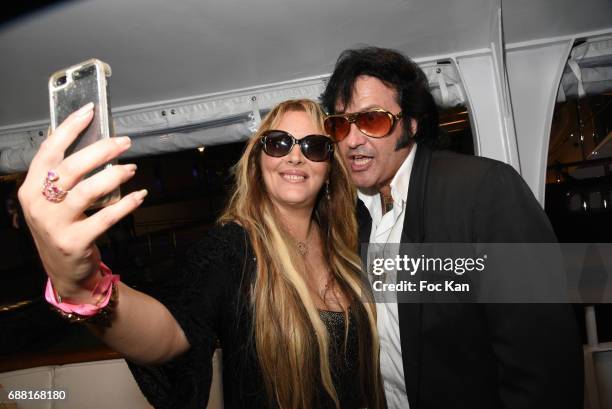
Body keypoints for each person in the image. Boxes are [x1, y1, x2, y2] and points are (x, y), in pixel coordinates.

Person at [17, 99, 385, 409]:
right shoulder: (232, 249)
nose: (295, 157)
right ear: (258, 161)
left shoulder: (350, 237)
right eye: (278, 143)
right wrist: (84, 287)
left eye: (314, 146)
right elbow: (168, 332)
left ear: (328, 169)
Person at [321, 47, 583, 409]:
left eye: (372, 120)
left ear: (411, 123)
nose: (352, 140)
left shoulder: (484, 190)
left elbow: (544, 360)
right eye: (340, 124)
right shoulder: (354, 219)